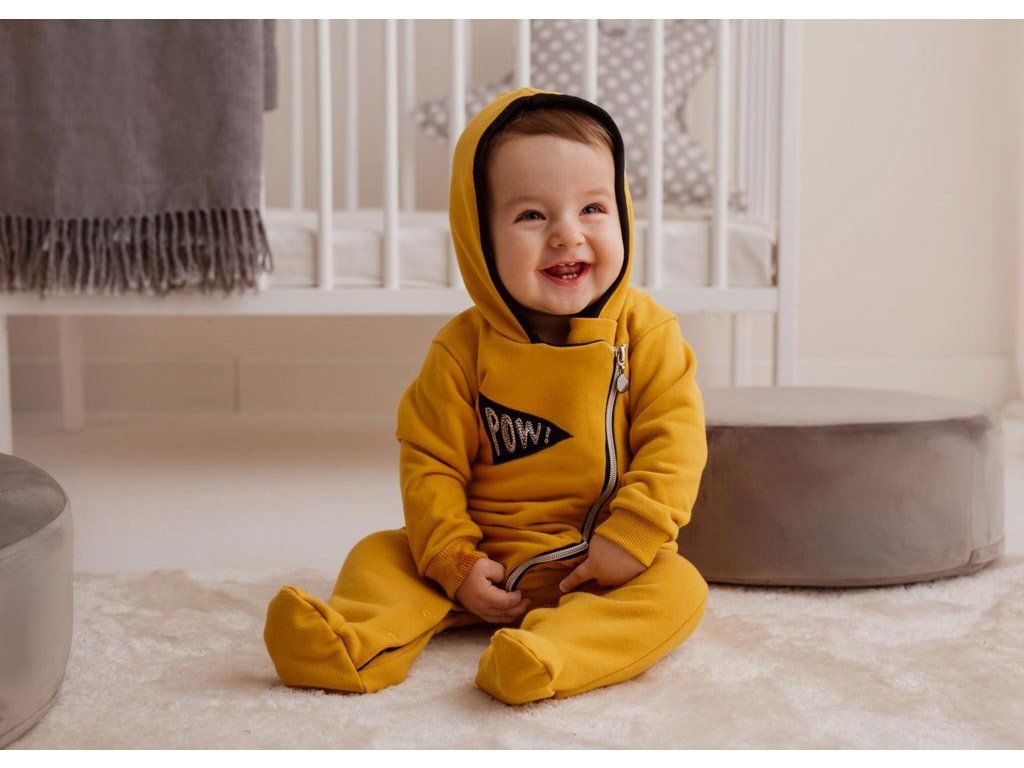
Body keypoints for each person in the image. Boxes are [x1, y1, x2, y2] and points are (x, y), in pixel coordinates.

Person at [264, 87, 709, 705]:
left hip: (599, 564)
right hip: (482, 558)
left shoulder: (647, 334)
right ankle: (346, 641)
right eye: (532, 216)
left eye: (592, 208)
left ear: (623, 214)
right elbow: (430, 462)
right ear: (480, 237)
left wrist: (632, 535)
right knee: (381, 554)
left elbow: (676, 444)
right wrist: (453, 559)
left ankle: (549, 656)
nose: (567, 235)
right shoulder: (462, 351)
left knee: (679, 588)